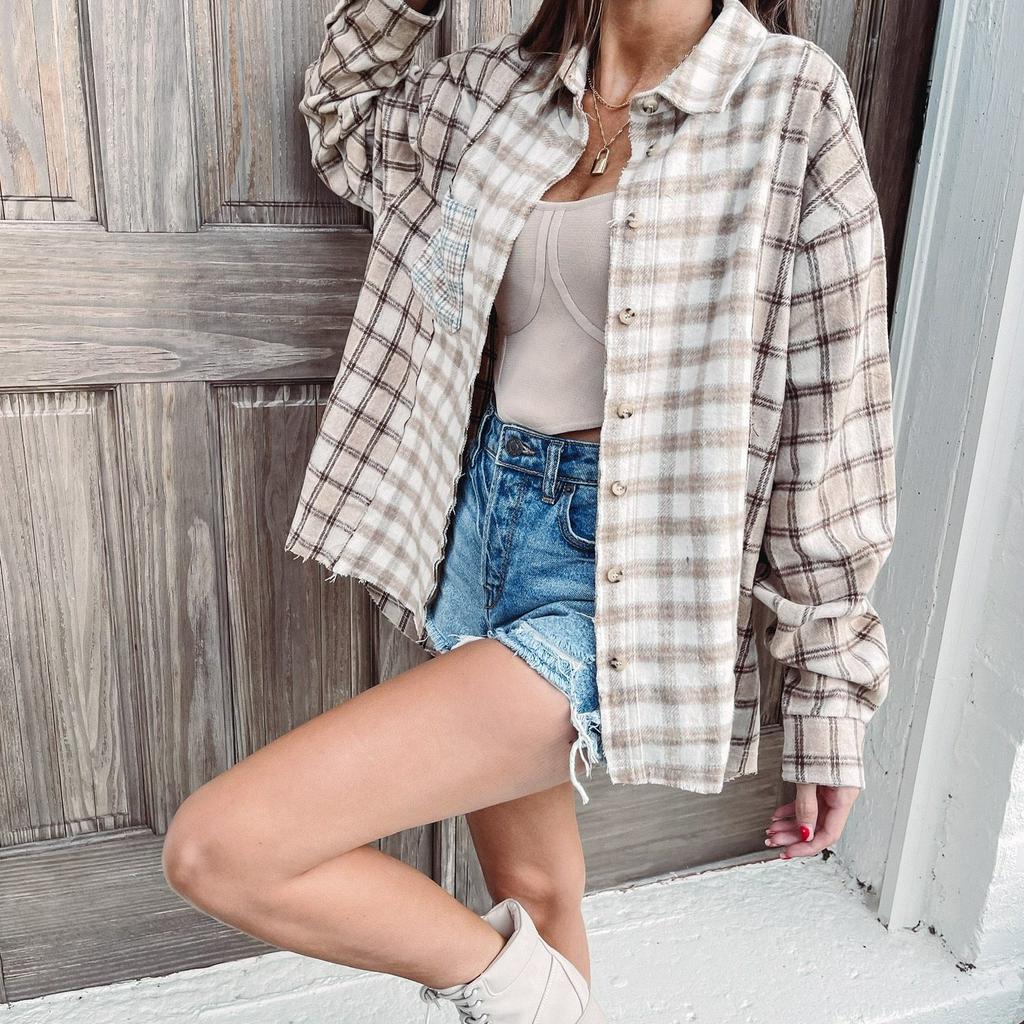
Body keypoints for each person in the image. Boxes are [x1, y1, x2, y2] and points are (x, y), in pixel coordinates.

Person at [162, 0, 898, 1020]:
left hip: (620, 572)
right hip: (486, 528)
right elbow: (342, 120)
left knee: (222, 848)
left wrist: (830, 701)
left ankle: (538, 1005)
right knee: (538, 896)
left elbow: (835, 417)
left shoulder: (788, 100)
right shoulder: (492, 94)